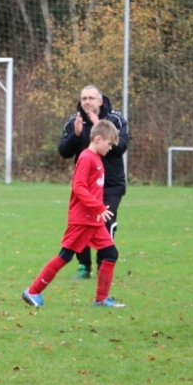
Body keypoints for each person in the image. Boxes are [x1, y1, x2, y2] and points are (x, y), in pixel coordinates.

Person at [22, 119, 124, 309]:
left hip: (94, 221)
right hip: (82, 220)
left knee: (111, 254)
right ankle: (33, 291)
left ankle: (101, 299)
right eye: (109, 144)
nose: (110, 148)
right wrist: (98, 207)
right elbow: (78, 186)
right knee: (65, 256)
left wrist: (98, 209)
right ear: (98, 139)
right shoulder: (86, 157)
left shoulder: (97, 158)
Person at [58, 86, 129, 279]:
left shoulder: (115, 119)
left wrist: (101, 129)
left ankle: (104, 264)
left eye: (91, 98)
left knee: (106, 222)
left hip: (111, 184)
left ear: (100, 101)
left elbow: (121, 147)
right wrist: (76, 135)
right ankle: (83, 265)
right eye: (84, 98)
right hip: (86, 186)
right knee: (83, 223)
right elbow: (64, 151)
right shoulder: (74, 121)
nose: (87, 102)